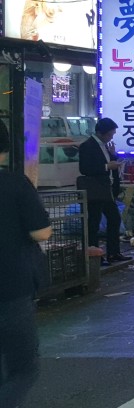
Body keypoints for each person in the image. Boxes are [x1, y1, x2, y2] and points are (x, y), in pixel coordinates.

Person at [0, 120, 51, 408]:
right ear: (6, 147)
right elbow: (41, 232)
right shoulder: (15, 184)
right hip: (10, 286)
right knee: (23, 368)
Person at [78, 118, 127, 265]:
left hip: (106, 190)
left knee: (114, 219)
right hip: (96, 190)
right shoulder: (88, 146)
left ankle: (113, 253)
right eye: (110, 134)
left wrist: (113, 156)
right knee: (94, 222)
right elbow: (85, 168)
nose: (112, 136)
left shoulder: (104, 146)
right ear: (101, 132)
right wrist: (107, 167)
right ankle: (95, 256)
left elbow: (107, 162)